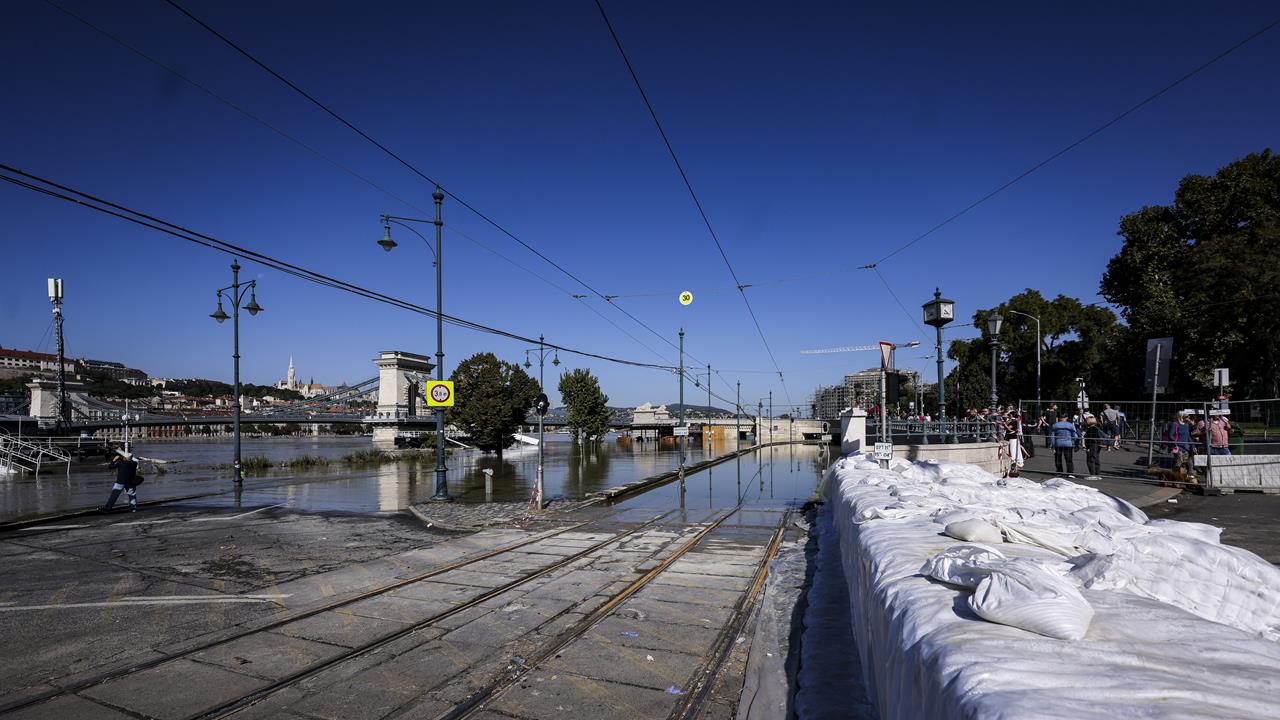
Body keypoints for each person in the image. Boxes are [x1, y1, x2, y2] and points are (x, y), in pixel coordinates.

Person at [1082, 413, 1105, 478]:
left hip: (1092, 445)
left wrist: (1088, 447)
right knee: (1096, 459)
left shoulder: (1091, 429)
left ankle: (1092, 474)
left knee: (1090, 459)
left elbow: (1091, 439)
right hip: (1098, 445)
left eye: (1086, 420)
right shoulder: (1097, 427)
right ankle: (1097, 474)